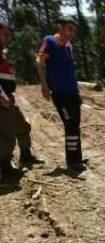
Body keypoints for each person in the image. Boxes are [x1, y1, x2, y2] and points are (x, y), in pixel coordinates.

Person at [37, 16, 86, 172]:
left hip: (72, 93)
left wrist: (77, 91)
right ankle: (72, 162)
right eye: (69, 29)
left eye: (74, 30)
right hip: (60, 93)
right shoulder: (50, 41)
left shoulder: (69, 46)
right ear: (61, 27)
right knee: (70, 124)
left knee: (75, 125)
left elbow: (71, 72)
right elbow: (39, 62)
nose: (72, 33)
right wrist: (44, 86)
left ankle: (77, 157)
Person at [0, 20, 38, 181]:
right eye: (5, 33)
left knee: (22, 126)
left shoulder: (2, 51)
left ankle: (26, 155)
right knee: (7, 134)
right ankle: (5, 168)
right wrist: (1, 96)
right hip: (2, 99)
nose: (8, 37)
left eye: (9, 34)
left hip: (8, 97)